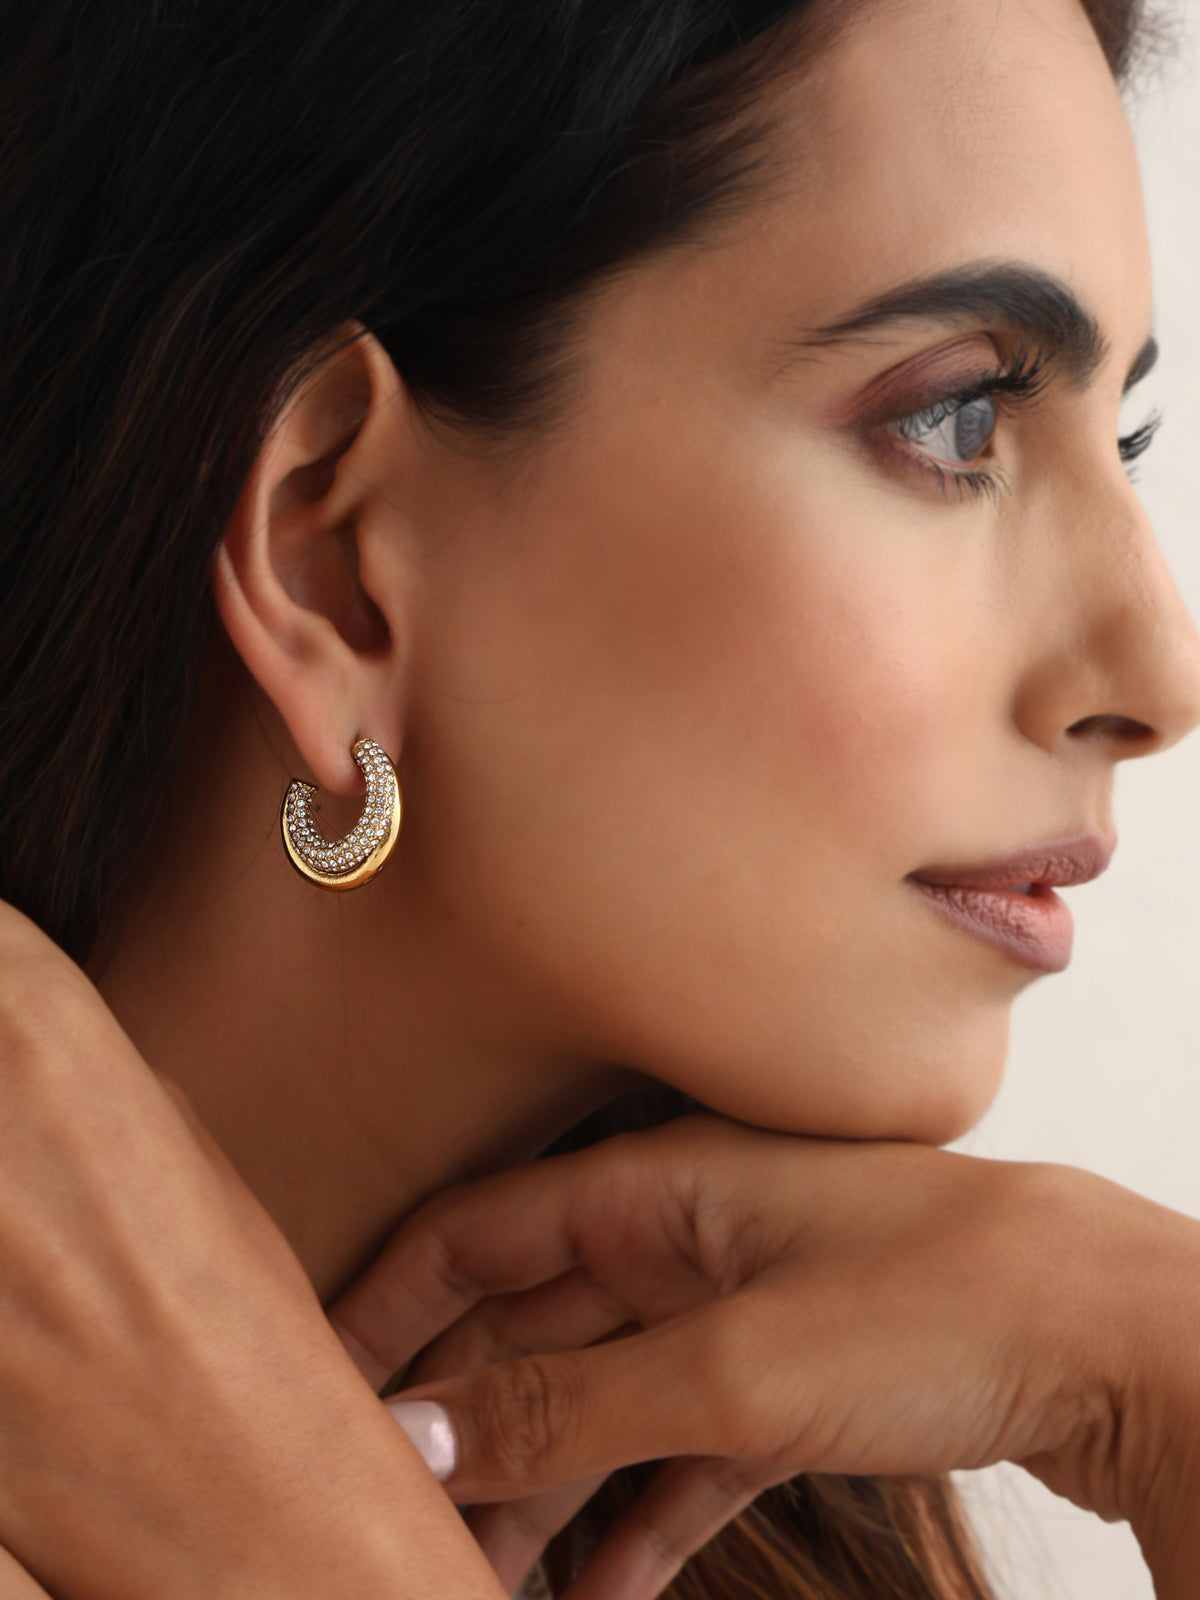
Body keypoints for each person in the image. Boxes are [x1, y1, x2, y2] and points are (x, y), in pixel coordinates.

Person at [1, 0, 1199, 1596]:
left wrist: (1160, 1373)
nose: (1160, 673)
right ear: (332, 552)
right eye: (957, 419)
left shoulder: (754, 1488)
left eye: (1124, 440)